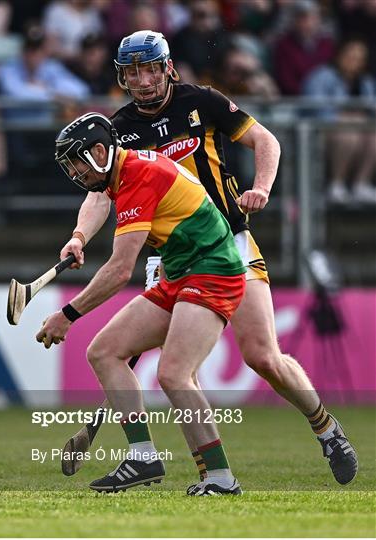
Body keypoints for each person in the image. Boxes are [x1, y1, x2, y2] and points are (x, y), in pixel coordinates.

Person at [60, 31, 358, 488]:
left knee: (262, 356)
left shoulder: (202, 101)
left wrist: (261, 187)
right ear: (123, 77)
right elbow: (101, 192)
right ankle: (205, 470)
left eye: (149, 69)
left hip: (229, 244)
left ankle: (325, 427)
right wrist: (80, 235)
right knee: (172, 367)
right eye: (132, 72)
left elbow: (266, 141)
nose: (142, 81)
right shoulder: (116, 128)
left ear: (167, 68)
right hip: (169, 256)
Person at [37, 111, 247, 496]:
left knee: (173, 373)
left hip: (214, 270)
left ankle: (220, 478)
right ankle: (143, 457)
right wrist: (79, 236)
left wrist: (67, 315)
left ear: (100, 151)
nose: (75, 173)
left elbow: (119, 271)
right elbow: (98, 200)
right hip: (180, 272)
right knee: (104, 352)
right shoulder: (121, 171)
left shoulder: (138, 177)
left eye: (77, 162)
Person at [303, 39, 376, 205]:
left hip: (358, 131)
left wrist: (359, 119)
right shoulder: (321, 76)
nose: (354, 62)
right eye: (350, 57)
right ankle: (336, 184)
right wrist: (345, 118)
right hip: (321, 132)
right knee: (348, 134)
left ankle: (361, 184)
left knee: (373, 135)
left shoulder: (365, 82)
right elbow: (314, 109)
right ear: (339, 56)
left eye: (359, 59)